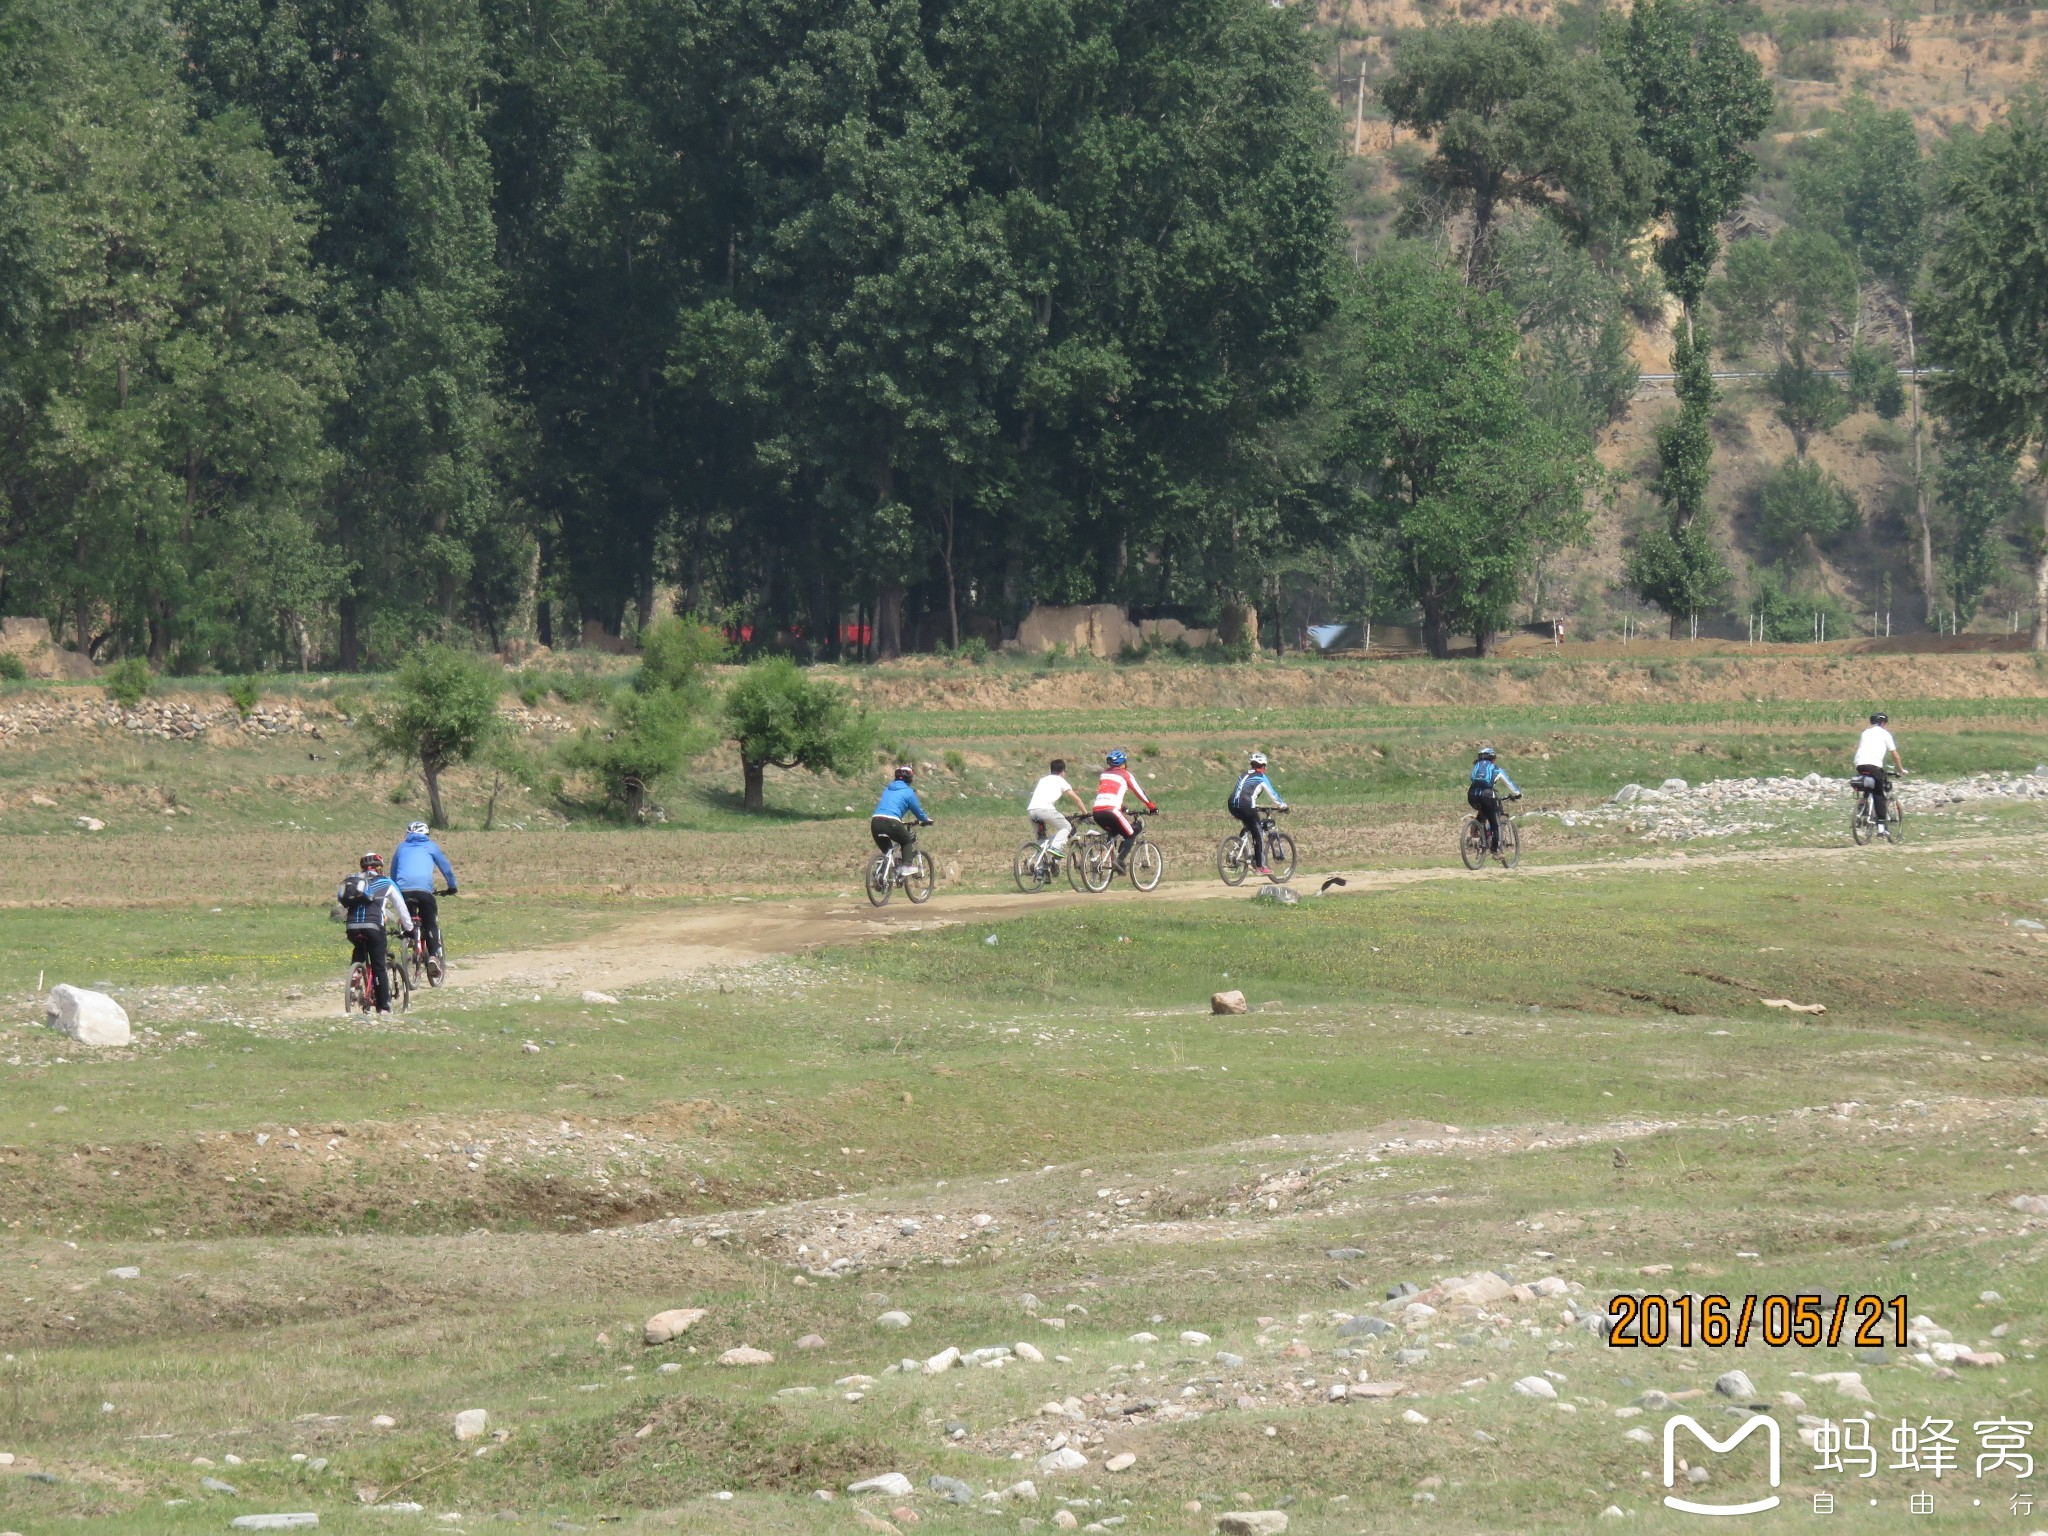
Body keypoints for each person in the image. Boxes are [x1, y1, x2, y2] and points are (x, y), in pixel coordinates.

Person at [338, 852, 413, 1014]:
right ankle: (384, 1007)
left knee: (359, 947)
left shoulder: (354, 882)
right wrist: (409, 929)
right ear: (379, 868)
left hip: (351, 927)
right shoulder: (386, 882)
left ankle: (357, 971)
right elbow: (401, 908)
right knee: (379, 965)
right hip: (373, 926)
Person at [390, 820, 458, 963]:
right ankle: (433, 956)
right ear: (427, 834)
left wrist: (396, 890)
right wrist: (452, 886)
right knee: (430, 923)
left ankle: (409, 939)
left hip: (404, 891)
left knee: (406, 919)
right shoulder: (431, 846)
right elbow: (446, 868)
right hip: (424, 891)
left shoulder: (401, 848)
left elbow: (393, 872)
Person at [1092, 748, 1159, 873]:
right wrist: (1152, 807)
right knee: (1131, 834)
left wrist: (1123, 808)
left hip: (1096, 811)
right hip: (1112, 810)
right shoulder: (1126, 775)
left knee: (1114, 832)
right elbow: (1140, 792)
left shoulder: (1104, 774)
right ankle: (1119, 860)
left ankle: (1105, 858)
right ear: (1123, 763)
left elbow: (1108, 793)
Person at [1228, 751, 1289, 877]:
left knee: (1248, 824)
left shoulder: (1244, 774)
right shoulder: (1261, 777)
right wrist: (1283, 806)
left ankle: (1236, 848)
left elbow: (1242, 792)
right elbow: (1273, 795)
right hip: (1246, 806)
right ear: (1263, 766)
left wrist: (1254, 805)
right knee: (1259, 833)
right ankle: (1260, 867)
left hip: (1232, 805)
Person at [1026, 758, 1091, 860]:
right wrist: (1086, 814)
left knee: (1041, 840)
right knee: (1066, 827)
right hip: (1045, 810)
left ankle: (1039, 868)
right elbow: (1077, 799)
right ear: (1062, 771)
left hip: (1032, 810)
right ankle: (1055, 847)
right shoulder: (1061, 781)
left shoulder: (1043, 780)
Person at [1854, 712, 1905, 836]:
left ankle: (1863, 807)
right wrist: (1901, 770)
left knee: (1869, 786)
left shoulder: (1865, 733)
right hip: (1874, 765)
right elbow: (1895, 755)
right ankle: (1881, 828)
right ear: (1883, 723)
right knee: (1878, 793)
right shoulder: (1885, 734)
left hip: (1859, 764)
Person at [871, 765, 932, 867]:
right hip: (891, 822)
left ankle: (881, 873)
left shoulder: (888, 788)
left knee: (887, 851)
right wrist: (926, 820)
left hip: (876, 821)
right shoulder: (908, 792)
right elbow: (917, 811)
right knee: (907, 841)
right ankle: (906, 866)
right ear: (910, 779)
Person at [1467, 746, 1521, 854]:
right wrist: (1517, 794)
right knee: (1494, 823)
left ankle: (1476, 825)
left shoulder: (1476, 767)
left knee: (1483, 810)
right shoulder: (1496, 769)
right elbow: (1509, 783)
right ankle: (1495, 850)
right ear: (1493, 759)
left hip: (1472, 795)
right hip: (1487, 796)